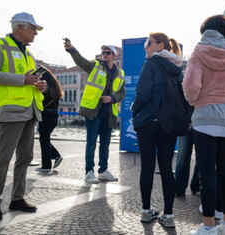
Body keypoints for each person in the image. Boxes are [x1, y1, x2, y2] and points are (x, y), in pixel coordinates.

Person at [184, 15, 225, 235]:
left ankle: (208, 226)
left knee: (207, 174)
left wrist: (197, 102)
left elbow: (191, 87)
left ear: (205, 31)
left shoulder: (198, 54)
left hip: (205, 120)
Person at [0, 12, 47, 220]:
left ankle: (17, 198)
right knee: (3, 158)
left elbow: (29, 82)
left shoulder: (29, 55)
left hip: (30, 111)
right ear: (20, 27)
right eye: (33, 29)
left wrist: (41, 86)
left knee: (25, 157)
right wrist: (23, 79)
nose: (36, 33)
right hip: (11, 111)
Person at [131, 32, 183, 228]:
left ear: (161, 46)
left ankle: (146, 211)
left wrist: (134, 110)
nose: (145, 47)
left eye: (149, 43)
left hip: (148, 123)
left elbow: (142, 94)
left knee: (147, 166)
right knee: (167, 169)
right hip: (168, 123)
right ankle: (168, 215)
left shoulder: (151, 64)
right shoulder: (177, 67)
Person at [64, 41, 125, 183]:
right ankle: (89, 171)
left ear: (114, 56)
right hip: (93, 112)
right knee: (91, 143)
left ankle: (103, 170)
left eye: (108, 52)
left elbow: (122, 93)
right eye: (103, 52)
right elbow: (80, 61)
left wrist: (112, 98)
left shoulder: (120, 74)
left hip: (109, 114)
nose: (104, 54)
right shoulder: (95, 66)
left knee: (105, 144)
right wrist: (71, 49)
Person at [35, 69, 64, 172]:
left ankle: (47, 165)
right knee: (45, 139)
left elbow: (41, 101)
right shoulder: (54, 87)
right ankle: (55, 157)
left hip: (46, 116)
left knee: (44, 140)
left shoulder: (45, 87)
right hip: (54, 116)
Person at [174, 130, 200, 196]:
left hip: (202, 124)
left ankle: (196, 185)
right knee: (183, 155)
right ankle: (178, 188)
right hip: (186, 124)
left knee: (201, 157)